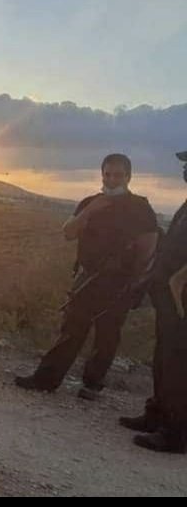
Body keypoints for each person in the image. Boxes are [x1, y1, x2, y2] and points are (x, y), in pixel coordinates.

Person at [16, 153, 158, 399]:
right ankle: (46, 379)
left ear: (129, 177)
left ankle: (92, 385)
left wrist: (135, 284)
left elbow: (148, 247)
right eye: (108, 174)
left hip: (119, 282)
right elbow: (69, 232)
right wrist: (91, 210)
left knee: (107, 335)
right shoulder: (90, 202)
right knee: (71, 329)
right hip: (88, 278)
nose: (112, 180)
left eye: (118, 175)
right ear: (102, 174)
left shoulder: (140, 208)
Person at [120, 150, 187, 452]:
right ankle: (157, 415)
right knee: (163, 359)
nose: (185, 169)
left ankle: (176, 434)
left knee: (179, 364)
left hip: (181, 298)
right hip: (168, 296)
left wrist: (176, 282)